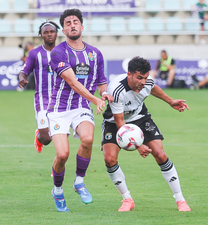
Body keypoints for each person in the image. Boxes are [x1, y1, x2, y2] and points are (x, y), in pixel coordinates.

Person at [101, 56, 191, 212]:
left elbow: (153, 88)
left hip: (140, 118)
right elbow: (121, 123)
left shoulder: (147, 81)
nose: (143, 82)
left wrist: (170, 101)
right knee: (109, 159)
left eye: (145, 77)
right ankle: (127, 199)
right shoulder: (117, 90)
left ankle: (180, 199)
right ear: (129, 74)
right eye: (139, 78)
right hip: (115, 123)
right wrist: (138, 146)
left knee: (160, 153)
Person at [47, 9, 113, 212]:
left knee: (87, 139)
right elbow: (73, 82)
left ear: (82, 27)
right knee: (63, 155)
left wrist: (104, 95)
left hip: (81, 107)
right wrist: (95, 99)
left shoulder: (95, 53)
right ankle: (57, 191)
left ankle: (79, 182)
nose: (72, 25)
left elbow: (101, 82)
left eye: (76, 22)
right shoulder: (58, 52)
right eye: (68, 23)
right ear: (64, 29)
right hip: (59, 109)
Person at [18, 21, 60, 153]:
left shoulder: (64, 52)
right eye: (45, 32)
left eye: (51, 31)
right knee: (46, 139)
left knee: (60, 138)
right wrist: (22, 79)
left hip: (61, 100)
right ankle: (39, 135)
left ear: (56, 34)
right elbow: (23, 72)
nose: (49, 34)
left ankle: (58, 171)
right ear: (41, 35)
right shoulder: (34, 53)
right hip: (42, 100)